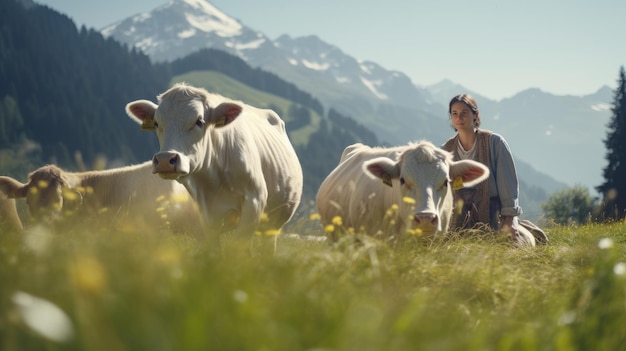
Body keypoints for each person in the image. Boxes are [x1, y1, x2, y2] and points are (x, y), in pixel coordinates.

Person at [442, 94, 546, 246]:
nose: (459, 118)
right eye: (454, 113)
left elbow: (507, 184)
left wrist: (509, 220)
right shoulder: (446, 150)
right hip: (459, 217)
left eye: (464, 112)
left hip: (494, 211)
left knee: (510, 248)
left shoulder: (495, 143)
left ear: (475, 115)